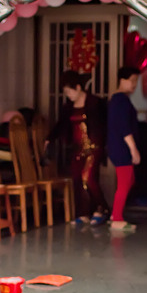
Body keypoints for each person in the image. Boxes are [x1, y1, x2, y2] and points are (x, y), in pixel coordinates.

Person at [47, 70, 109, 226]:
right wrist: (49, 138)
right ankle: (83, 213)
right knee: (77, 181)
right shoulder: (68, 107)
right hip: (76, 148)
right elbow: (61, 125)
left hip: (93, 147)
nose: (69, 95)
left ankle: (103, 209)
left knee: (88, 179)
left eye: (70, 91)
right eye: (66, 92)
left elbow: (105, 123)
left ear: (78, 87)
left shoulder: (95, 103)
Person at [106, 66, 141, 232]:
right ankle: (117, 219)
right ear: (122, 80)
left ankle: (115, 214)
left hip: (118, 146)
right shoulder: (120, 100)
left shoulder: (118, 99)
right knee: (124, 182)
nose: (134, 84)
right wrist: (133, 149)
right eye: (132, 80)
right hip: (122, 147)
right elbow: (123, 127)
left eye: (136, 81)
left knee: (129, 180)